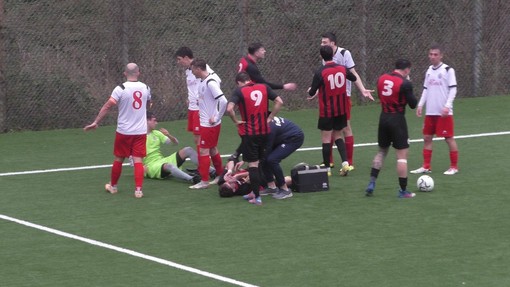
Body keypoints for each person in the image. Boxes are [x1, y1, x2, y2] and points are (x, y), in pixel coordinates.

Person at [84, 63, 151, 198]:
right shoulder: (146, 88)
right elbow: (149, 104)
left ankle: (113, 187)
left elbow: (108, 106)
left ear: (125, 74)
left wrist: (96, 121)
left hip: (124, 131)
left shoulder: (120, 88)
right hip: (140, 131)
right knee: (138, 160)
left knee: (119, 158)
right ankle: (138, 190)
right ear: (139, 73)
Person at [226, 72, 284, 205]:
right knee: (259, 162)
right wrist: (270, 118)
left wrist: (235, 121)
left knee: (253, 164)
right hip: (265, 132)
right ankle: (258, 191)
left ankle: (256, 197)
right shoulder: (264, 87)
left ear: (239, 82)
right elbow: (279, 101)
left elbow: (229, 109)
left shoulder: (240, 91)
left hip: (250, 133)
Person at [320, 32, 374, 170]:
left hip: (343, 97)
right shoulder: (325, 56)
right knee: (329, 129)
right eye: (322, 42)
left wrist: (362, 90)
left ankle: (349, 162)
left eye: (324, 42)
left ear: (333, 43)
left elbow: (353, 73)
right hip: (329, 99)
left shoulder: (344, 53)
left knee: (345, 127)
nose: (322, 45)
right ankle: (329, 161)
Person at [365, 59, 418, 198]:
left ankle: (372, 183)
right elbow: (413, 104)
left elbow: (381, 95)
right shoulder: (405, 83)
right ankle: (403, 191)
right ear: (406, 70)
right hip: (397, 120)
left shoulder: (381, 78)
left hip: (383, 118)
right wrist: (409, 86)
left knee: (382, 152)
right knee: (401, 157)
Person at [308, 45, 356, 177]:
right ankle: (345, 163)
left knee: (326, 139)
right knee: (338, 136)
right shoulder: (342, 68)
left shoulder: (320, 72)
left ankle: (327, 169)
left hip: (327, 111)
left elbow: (312, 91)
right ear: (333, 56)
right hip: (341, 109)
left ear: (321, 56)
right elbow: (353, 78)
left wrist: (312, 90)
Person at [411, 44, 459, 175]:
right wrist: (420, 105)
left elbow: (453, 89)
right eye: (431, 54)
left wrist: (447, 106)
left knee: (448, 138)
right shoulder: (429, 71)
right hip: (430, 112)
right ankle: (426, 166)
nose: (432, 57)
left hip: (444, 113)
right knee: (427, 138)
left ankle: (454, 167)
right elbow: (426, 89)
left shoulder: (448, 70)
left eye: (435, 54)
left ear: (441, 55)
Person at [144, 111, 215, 184]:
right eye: (154, 120)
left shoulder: (156, 133)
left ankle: (212, 171)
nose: (156, 123)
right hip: (150, 166)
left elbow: (175, 143)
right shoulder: (138, 136)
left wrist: (168, 135)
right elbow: (132, 157)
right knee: (169, 165)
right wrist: (140, 167)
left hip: (161, 160)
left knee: (188, 150)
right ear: (146, 121)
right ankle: (192, 179)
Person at [188, 59, 228, 189]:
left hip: (209, 125)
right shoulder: (204, 81)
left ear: (198, 69)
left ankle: (204, 181)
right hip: (206, 122)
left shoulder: (210, 82)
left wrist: (216, 117)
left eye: (193, 69)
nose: (192, 72)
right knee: (212, 149)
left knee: (204, 150)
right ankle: (220, 175)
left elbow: (223, 101)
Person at [174, 47, 221, 155]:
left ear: (186, 58)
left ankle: (205, 168)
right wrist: (189, 98)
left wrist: (202, 99)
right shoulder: (188, 70)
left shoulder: (201, 68)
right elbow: (194, 86)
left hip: (200, 109)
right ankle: (206, 166)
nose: (178, 62)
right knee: (198, 139)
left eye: (179, 59)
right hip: (192, 107)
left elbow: (216, 81)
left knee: (202, 141)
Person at [260, 116, 304, 200]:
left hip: (294, 138)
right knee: (264, 159)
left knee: (272, 159)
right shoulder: (264, 121)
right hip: (282, 137)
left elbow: (267, 148)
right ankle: (272, 187)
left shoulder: (270, 128)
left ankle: (285, 189)